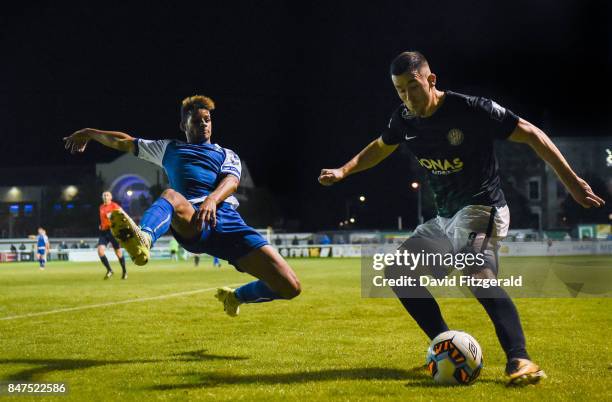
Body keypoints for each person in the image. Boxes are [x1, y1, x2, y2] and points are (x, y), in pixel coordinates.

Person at [318, 51, 605, 385]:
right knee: (398, 271)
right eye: (399, 90)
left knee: (475, 269)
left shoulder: (471, 109)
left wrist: (571, 182)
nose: (407, 97)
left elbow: (531, 133)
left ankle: (520, 359)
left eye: (413, 86)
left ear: (431, 80)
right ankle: (446, 345)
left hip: (483, 208)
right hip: (445, 217)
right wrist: (344, 170)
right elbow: (380, 146)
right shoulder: (404, 120)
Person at [64, 94, 301, 317]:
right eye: (197, 121)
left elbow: (231, 181)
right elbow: (123, 141)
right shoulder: (169, 148)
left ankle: (235, 297)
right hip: (192, 219)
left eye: (207, 120)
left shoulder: (226, 154)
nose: (204, 124)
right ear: (183, 125)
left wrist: (212, 199)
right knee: (171, 195)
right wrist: (89, 133)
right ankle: (144, 239)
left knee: (290, 286)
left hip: (229, 224)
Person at [97, 191, 128, 280]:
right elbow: (102, 219)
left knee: (118, 253)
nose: (105, 196)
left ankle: (124, 271)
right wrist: (101, 225)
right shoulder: (101, 207)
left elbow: (122, 214)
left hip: (113, 232)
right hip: (104, 232)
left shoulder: (114, 206)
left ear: (111, 197)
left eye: (107, 195)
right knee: (100, 251)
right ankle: (109, 270)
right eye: (104, 195)